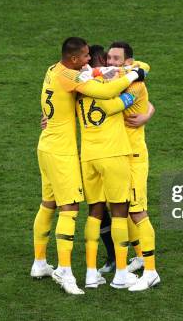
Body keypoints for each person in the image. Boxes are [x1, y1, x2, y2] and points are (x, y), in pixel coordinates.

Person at [32, 37, 145, 295]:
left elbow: (86, 77)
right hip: (63, 153)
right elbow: (105, 93)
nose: (86, 62)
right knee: (69, 209)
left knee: (47, 204)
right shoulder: (74, 80)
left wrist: (100, 71)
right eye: (83, 58)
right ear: (73, 60)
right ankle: (65, 271)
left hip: (46, 146)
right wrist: (133, 75)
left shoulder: (53, 70)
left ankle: (40, 262)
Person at [105, 41, 160, 291]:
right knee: (123, 208)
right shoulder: (122, 77)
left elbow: (110, 103)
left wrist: (148, 113)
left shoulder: (134, 83)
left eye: (117, 59)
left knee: (137, 211)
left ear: (128, 62)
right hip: (119, 156)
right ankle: (139, 256)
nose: (112, 63)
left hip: (134, 156)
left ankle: (151, 272)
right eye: (109, 59)